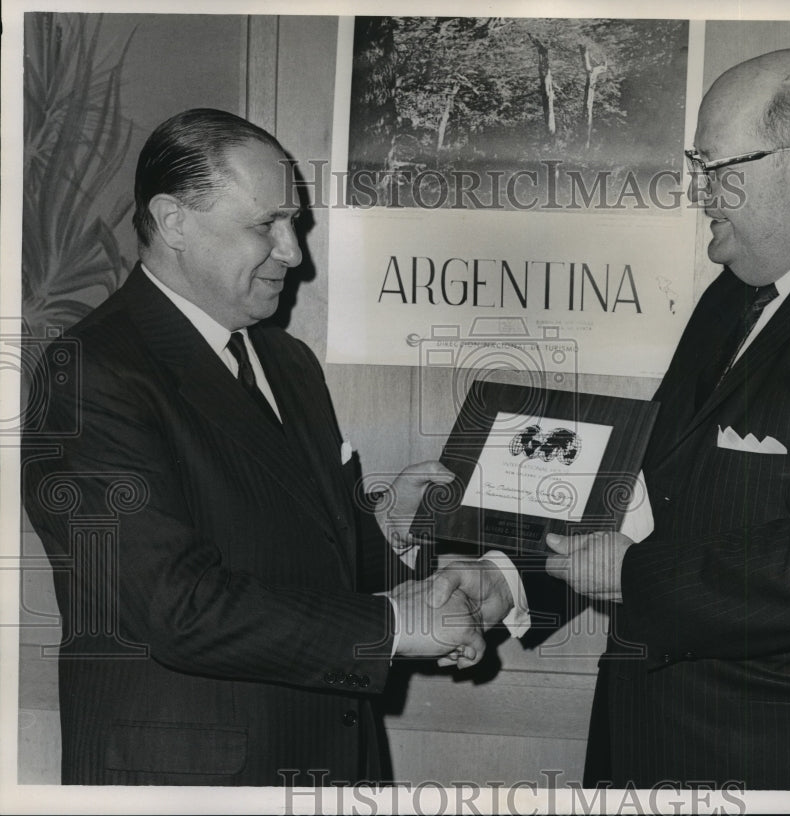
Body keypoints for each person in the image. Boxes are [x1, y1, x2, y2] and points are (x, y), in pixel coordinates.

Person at [432, 48, 790, 790]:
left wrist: (633, 577)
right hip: (666, 743)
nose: (699, 193)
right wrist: (510, 578)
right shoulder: (738, 292)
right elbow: (654, 490)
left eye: (717, 168)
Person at [21, 108, 489, 786]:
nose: (294, 251)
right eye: (264, 224)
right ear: (173, 220)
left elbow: (303, 548)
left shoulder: (287, 360)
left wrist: (388, 529)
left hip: (327, 762)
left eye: (293, 221)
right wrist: (390, 625)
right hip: (190, 782)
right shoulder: (89, 373)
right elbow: (173, 607)